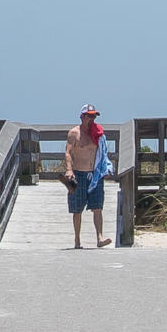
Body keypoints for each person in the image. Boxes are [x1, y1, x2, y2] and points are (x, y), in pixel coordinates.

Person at [65, 105, 112, 248]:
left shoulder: (97, 133)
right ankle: (77, 240)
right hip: (78, 174)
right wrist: (69, 170)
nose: (92, 119)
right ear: (82, 117)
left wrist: (106, 169)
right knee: (77, 209)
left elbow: (103, 153)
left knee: (97, 207)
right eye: (89, 116)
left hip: (95, 174)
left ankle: (100, 238)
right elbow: (68, 152)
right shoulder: (74, 133)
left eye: (94, 116)